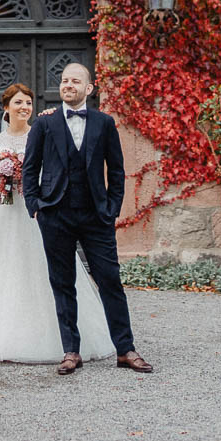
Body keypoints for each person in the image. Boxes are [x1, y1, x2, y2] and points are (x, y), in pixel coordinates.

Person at [0, 83, 114, 364]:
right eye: (18, 103)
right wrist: (4, 183)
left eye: (28, 103)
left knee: (44, 267)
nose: (24, 107)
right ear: (6, 108)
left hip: (36, 211)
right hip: (2, 211)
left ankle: (61, 338)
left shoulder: (44, 133)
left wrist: (33, 187)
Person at [22, 62, 154, 375]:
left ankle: (125, 349)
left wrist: (111, 209)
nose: (68, 85)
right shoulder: (45, 124)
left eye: (75, 81)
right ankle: (71, 351)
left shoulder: (104, 123)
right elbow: (30, 168)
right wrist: (36, 206)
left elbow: (117, 170)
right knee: (63, 283)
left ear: (89, 88)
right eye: (65, 80)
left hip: (97, 216)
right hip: (55, 214)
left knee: (110, 280)